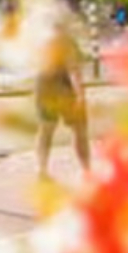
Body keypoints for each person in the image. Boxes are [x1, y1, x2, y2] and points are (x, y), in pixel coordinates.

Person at [34, 26, 92, 180]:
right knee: (79, 129)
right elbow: (73, 69)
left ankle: (42, 169)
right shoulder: (67, 42)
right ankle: (86, 170)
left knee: (46, 130)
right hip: (64, 89)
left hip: (43, 87)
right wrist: (80, 95)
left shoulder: (42, 39)